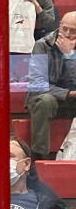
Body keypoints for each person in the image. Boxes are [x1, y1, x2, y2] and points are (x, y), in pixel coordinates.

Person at [25, 11, 76, 159]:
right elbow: (37, 83)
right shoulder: (42, 45)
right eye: (64, 28)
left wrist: (69, 56)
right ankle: (39, 156)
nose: (67, 33)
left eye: (73, 31)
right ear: (60, 25)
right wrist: (68, 93)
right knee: (45, 101)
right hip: (46, 98)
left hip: (72, 102)